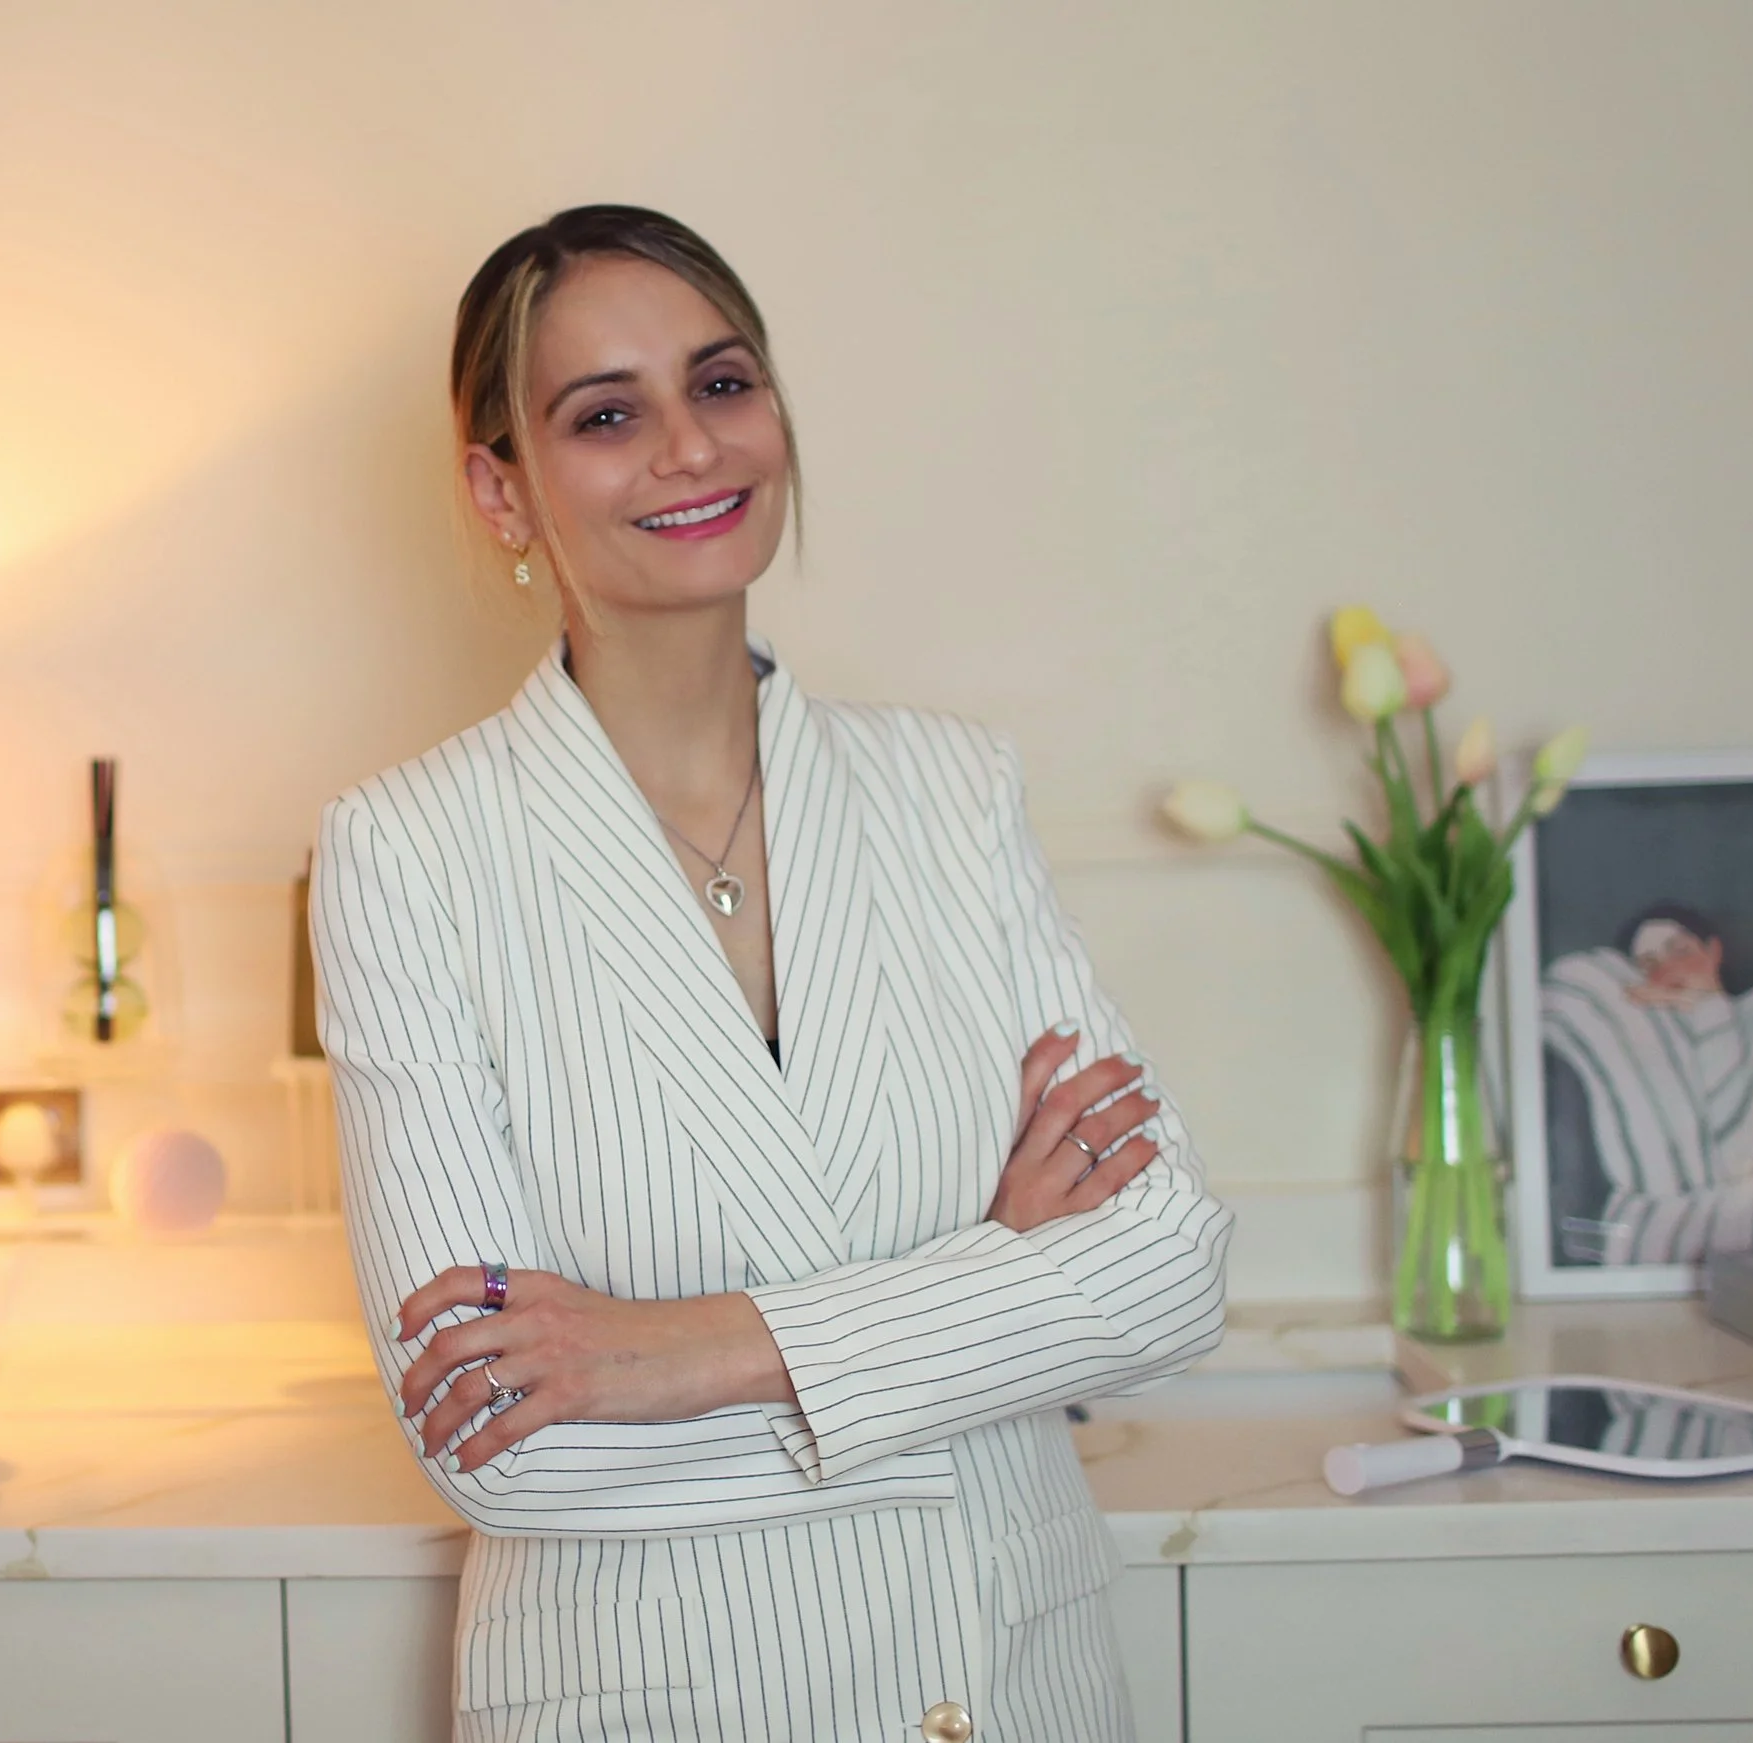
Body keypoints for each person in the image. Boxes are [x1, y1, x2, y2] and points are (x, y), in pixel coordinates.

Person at [310, 205, 1232, 1743]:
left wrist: (677, 1348)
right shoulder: (409, 851)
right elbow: (500, 1443)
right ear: (500, 487)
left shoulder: (949, 789)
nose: (688, 446)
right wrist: (1001, 1302)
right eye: (606, 414)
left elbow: (1164, 1262)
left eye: (722, 384)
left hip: (1010, 1679)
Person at [1542, 903, 1753, 1264]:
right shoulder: (1668, 1050)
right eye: (1649, 964)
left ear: (1713, 952)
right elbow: (1736, 1156)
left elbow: (1749, 1144)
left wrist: (1708, 1005)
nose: (1669, 967)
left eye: (1680, 950)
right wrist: (1706, 1011)